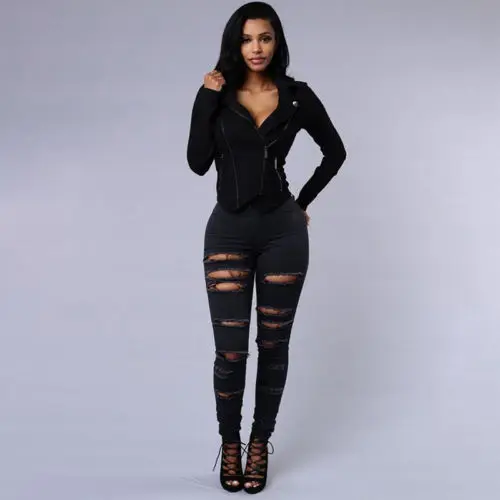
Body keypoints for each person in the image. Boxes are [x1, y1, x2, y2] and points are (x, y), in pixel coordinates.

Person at [186, 1, 347, 494]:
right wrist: (205, 97)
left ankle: (259, 442)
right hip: (227, 233)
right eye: (247, 39)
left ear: (277, 42)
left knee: (273, 346)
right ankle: (230, 443)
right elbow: (197, 162)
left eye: (265, 38)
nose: (256, 47)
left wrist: (301, 202)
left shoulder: (297, 97)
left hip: (283, 233)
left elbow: (335, 152)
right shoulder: (217, 94)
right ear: (234, 44)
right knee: (230, 353)